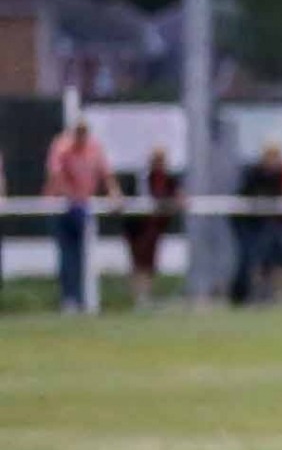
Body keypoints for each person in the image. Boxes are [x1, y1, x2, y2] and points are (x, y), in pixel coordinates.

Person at [42, 117, 114, 313]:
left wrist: (114, 194)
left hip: (83, 207)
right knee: (67, 254)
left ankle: (83, 298)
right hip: (62, 207)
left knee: (83, 253)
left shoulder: (94, 148)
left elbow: (106, 173)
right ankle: (69, 298)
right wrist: (73, 197)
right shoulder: (61, 146)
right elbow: (56, 176)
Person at [121, 147, 182, 308]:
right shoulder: (141, 178)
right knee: (138, 263)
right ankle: (137, 297)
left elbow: (177, 197)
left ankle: (145, 296)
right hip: (136, 227)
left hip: (154, 228)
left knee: (150, 263)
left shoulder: (168, 179)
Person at [230, 142, 282, 306]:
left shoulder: (279, 175)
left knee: (269, 258)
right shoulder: (252, 173)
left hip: (264, 223)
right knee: (247, 258)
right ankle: (239, 296)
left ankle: (264, 295)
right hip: (246, 223)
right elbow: (248, 196)